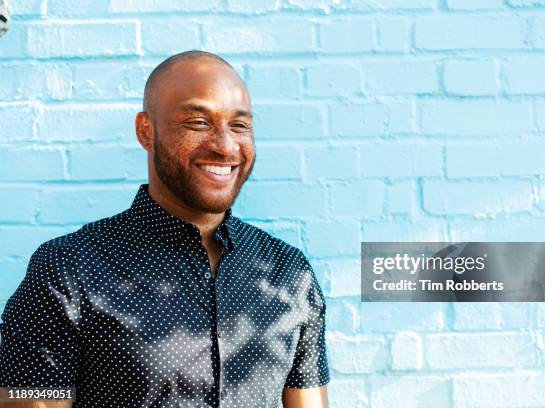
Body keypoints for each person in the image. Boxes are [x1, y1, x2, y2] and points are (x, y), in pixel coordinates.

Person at [0, 50, 330, 408]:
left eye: (239, 125)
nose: (224, 145)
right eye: (198, 122)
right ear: (146, 131)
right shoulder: (67, 269)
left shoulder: (290, 272)